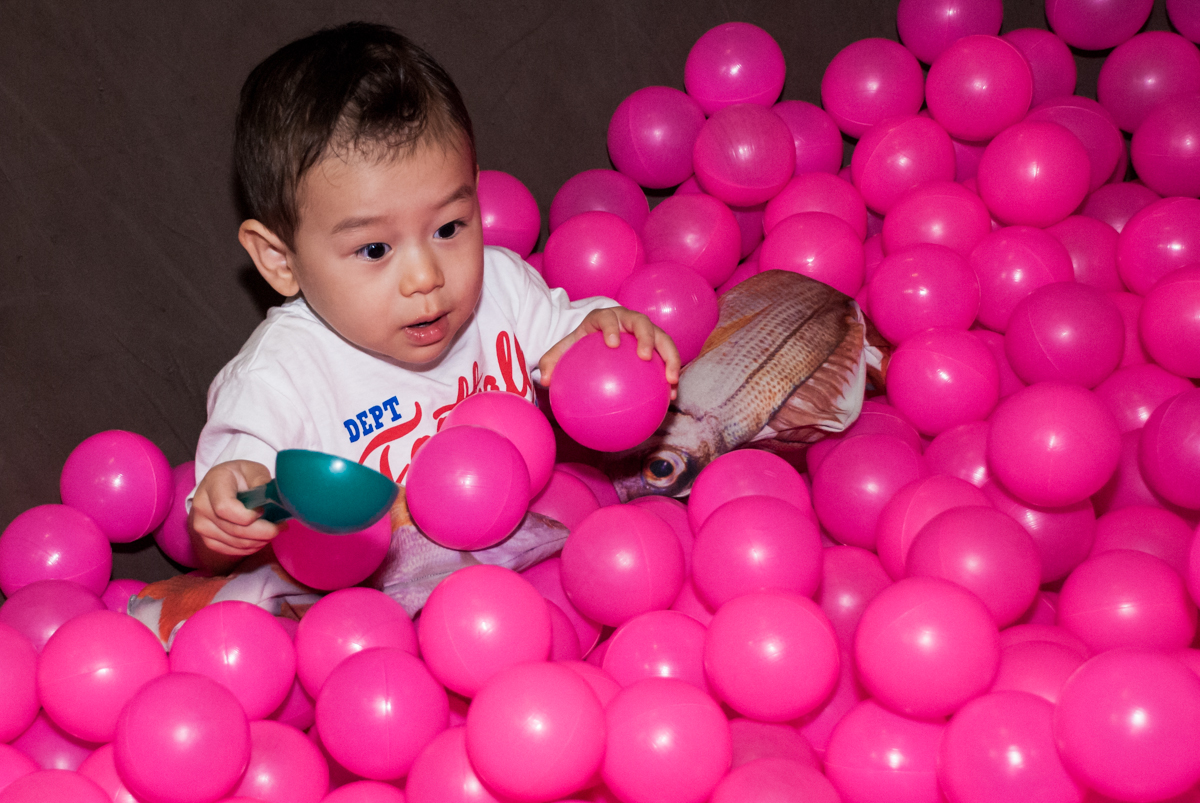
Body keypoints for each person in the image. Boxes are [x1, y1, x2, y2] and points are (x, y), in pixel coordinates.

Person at [188, 22, 679, 579]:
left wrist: (611, 332)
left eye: (448, 228)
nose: (426, 276)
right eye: (374, 248)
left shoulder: (502, 286)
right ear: (280, 260)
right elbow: (225, 521)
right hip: (375, 615)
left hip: (531, 564)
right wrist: (234, 509)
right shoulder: (276, 379)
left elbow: (576, 350)